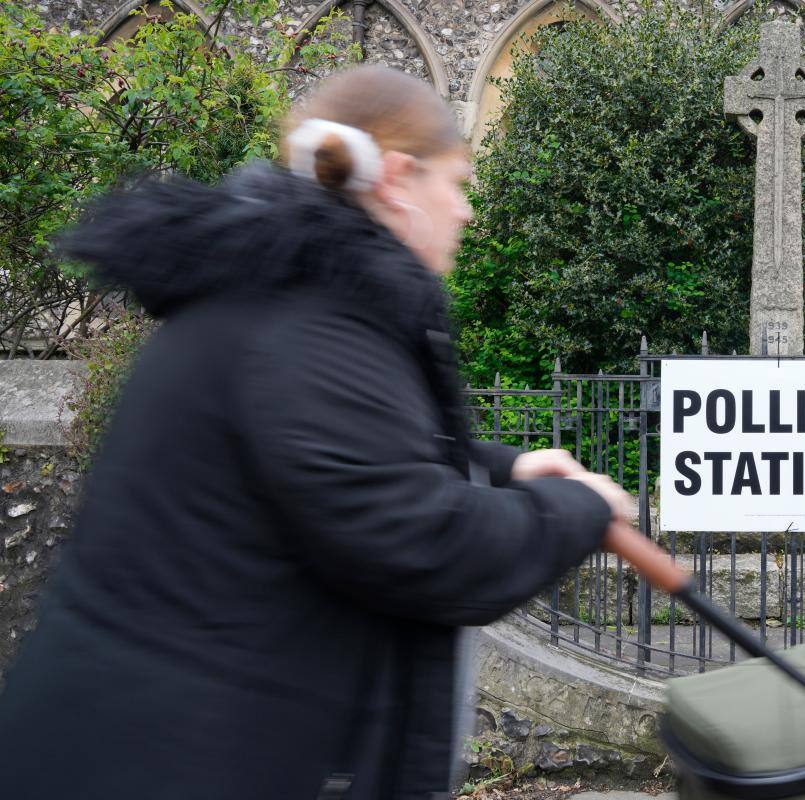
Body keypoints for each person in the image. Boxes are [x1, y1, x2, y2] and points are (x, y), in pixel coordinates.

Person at [0, 65, 631, 800]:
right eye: (456, 184)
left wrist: (508, 469)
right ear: (397, 178)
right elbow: (424, 542)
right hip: (170, 764)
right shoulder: (307, 326)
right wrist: (582, 509)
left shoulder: (293, 300)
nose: (464, 212)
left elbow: (352, 456)